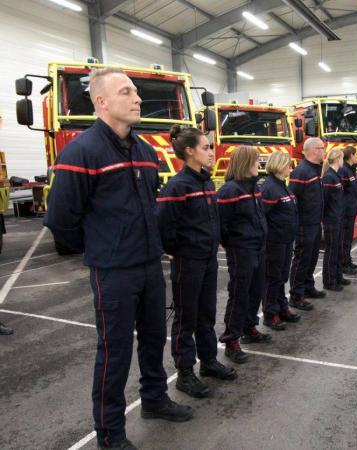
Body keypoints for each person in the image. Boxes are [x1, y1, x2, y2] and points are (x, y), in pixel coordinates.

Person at [44, 67, 192, 450]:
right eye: (127, 92)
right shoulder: (81, 150)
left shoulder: (144, 151)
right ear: (102, 102)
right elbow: (61, 219)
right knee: (114, 352)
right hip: (113, 271)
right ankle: (110, 434)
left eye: (136, 92)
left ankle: (155, 399)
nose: (138, 98)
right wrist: (103, 246)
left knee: (154, 338)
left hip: (148, 264)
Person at [156, 126, 236, 399]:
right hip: (188, 261)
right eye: (206, 148)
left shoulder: (205, 181)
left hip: (207, 258)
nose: (212, 153)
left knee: (206, 313)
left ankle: (209, 361)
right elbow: (164, 225)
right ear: (189, 151)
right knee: (186, 317)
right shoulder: (178, 186)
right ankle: (185, 372)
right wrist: (176, 250)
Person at [217, 145, 271, 365]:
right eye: (255, 160)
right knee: (239, 294)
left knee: (255, 290)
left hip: (257, 247)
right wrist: (233, 243)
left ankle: (249, 326)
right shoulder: (230, 191)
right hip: (241, 250)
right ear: (244, 163)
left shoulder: (253, 188)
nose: (258, 164)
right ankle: (231, 340)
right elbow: (221, 224)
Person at [260, 151, 302, 331]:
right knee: (273, 277)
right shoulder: (269, 188)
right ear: (279, 165)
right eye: (287, 165)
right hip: (274, 242)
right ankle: (270, 313)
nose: (290, 168)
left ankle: (281, 306)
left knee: (282, 276)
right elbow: (263, 216)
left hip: (286, 239)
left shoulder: (281, 185)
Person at [288, 138, 326, 310]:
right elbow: (294, 198)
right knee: (302, 258)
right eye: (322, 148)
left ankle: (308, 286)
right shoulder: (301, 171)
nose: (324, 152)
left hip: (315, 221)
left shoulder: (315, 170)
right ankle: (296, 295)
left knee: (312, 257)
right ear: (314, 150)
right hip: (304, 223)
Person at [321, 148, 350, 291]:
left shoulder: (335, 176)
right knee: (331, 251)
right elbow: (324, 200)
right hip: (331, 220)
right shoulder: (329, 177)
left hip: (337, 218)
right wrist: (327, 218)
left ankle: (338, 276)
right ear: (338, 159)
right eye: (342, 158)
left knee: (337, 250)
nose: (343, 161)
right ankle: (329, 281)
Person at [339, 146, 357, 275]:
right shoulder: (344, 171)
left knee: (349, 239)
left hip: (352, 210)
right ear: (351, 156)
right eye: (356, 154)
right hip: (346, 211)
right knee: (345, 239)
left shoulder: (351, 170)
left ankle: (348, 261)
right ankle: (344, 264)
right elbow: (342, 192)